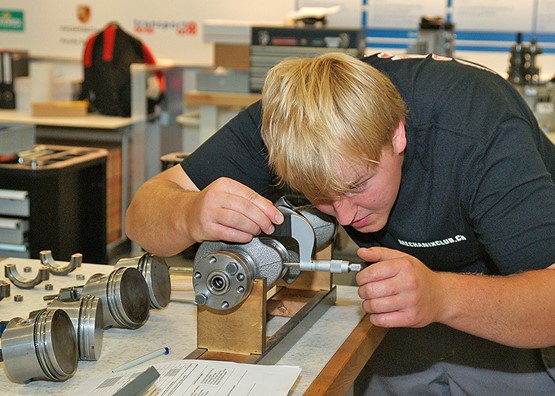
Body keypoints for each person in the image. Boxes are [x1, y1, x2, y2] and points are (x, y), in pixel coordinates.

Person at [126, 52, 555, 394]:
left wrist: (440, 295)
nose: (347, 217)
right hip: (402, 301)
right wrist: (190, 213)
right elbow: (141, 216)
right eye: (321, 198)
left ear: (397, 135)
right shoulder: (288, 124)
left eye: (357, 185)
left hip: (517, 296)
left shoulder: (478, 134)